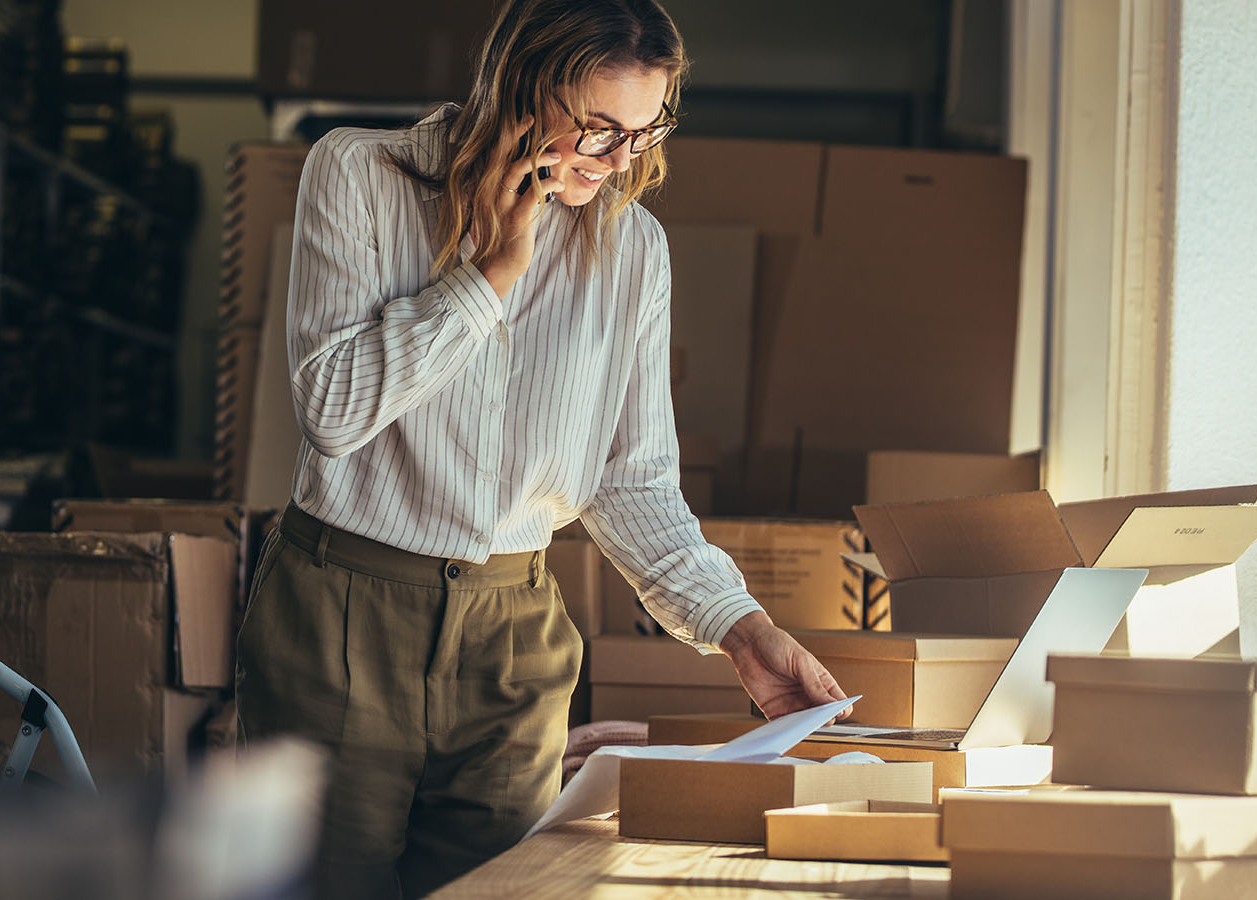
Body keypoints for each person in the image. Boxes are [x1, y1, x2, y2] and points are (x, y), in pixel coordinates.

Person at [234, 1, 851, 896]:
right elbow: (333, 409)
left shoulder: (634, 249)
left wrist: (743, 634)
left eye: (646, 131)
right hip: (339, 618)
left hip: (514, 636)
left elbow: (631, 483)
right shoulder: (361, 173)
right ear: (520, 86)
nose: (620, 162)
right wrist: (489, 277)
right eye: (598, 128)